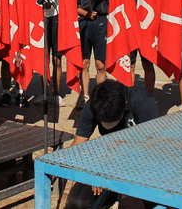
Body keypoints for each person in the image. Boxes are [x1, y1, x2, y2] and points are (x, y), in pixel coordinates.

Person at [65, 80, 159, 209]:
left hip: (141, 163)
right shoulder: (95, 104)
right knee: (77, 202)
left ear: (125, 105)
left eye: (114, 120)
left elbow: (149, 151)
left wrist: (105, 170)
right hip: (107, 159)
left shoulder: (143, 102)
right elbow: (77, 145)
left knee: (130, 204)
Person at [78, 0, 110, 101]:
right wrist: (85, 13)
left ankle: (100, 97)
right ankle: (84, 96)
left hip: (100, 23)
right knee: (84, 63)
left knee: (100, 64)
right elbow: (75, 5)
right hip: (85, 23)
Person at [128, 0, 155, 96]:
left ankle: (149, 94)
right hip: (130, 27)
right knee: (130, 63)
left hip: (146, 28)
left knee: (147, 63)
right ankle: (130, 94)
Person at [43, 0, 66, 106]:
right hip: (42, 19)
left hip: (58, 18)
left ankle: (57, 93)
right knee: (43, 59)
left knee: (56, 59)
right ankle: (44, 92)